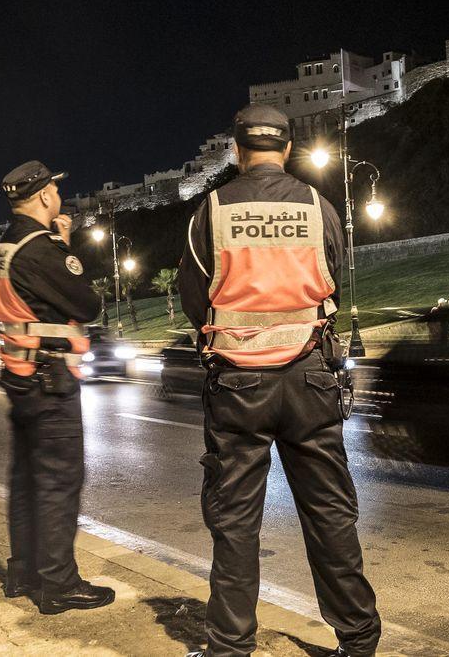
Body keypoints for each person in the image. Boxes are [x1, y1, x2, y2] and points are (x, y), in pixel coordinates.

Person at [180, 104, 381, 657]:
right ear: (287, 150)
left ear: (237, 151)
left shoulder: (212, 211)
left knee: (236, 519)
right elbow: (333, 277)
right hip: (311, 377)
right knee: (329, 512)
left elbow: (193, 298)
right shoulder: (320, 208)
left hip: (239, 386)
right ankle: (359, 639)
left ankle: (229, 647)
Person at [0, 160, 115, 615]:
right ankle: (59, 584)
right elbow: (87, 302)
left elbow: (37, 298)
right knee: (60, 482)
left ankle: (23, 572)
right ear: (44, 196)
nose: (60, 196)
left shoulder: (6, 245)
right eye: (56, 191)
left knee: (25, 480)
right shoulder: (41, 248)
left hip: (20, 377)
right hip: (50, 380)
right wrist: (65, 246)